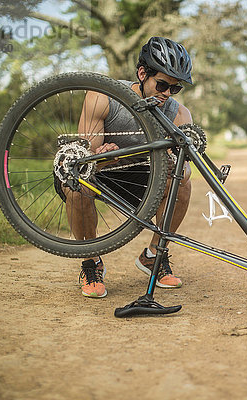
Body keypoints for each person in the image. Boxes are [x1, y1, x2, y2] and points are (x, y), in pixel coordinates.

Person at [63, 37, 193, 298]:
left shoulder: (179, 114)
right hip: (98, 173)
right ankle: (91, 263)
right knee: (79, 186)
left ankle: (153, 255)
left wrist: (175, 164)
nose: (167, 93)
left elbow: (186, 169)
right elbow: (83, 160)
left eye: (174, 89)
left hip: (135, 178)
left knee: (182, 183)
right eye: (162, 84)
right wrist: (101, 156)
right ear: (142, 74)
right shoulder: (103, 97)